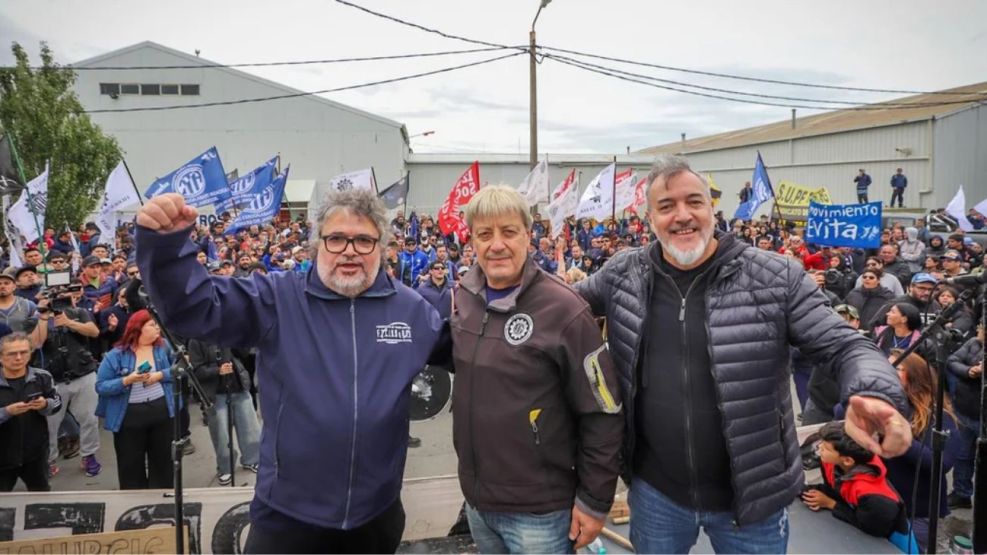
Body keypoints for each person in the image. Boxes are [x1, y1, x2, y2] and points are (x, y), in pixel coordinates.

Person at [568, 154, 910, 554]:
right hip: (656, 494)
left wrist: (873, 392)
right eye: (666, 206)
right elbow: (557, 308)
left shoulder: (775, 277)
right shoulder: (622, 274)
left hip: (751, 499)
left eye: (694, 201)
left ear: (712, 209)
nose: (682, 215)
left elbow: (845, 344)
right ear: (650, 218)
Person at [135, 189, 445, 554]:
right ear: (317, 244)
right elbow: (193, 307)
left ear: (382, 247)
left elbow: (471, 348)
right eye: (336, 238)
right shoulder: (277, 298)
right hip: (288, 516)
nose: (349, 250)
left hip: (376, 515)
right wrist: (166, 246)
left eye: (363, 240)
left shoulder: (411, 310)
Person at [453, 185, 623, 553]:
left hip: (540, 514)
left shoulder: (565, 309)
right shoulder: (465, 296)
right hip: (479, 505)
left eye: (508, 232)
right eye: (485, 234)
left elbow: (603, 412)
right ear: (472, 241)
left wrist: (594, 502)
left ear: (528, 235)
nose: (497, 244)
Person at [802, 421, 915, 552]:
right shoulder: (832, 462)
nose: (819, 448)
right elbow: (835, 491)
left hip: (891, 538)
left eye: (826, 448)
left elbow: (870, 527)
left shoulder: (875, 496)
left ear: (847, 460)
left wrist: (830, 504)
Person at [95, 310, 175, 489]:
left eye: (158, 324)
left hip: (161, 412)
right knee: (130, 465)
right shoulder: (116, 355)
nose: (158, 328)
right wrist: (126, 380)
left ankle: (162, 498)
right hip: (129, 416)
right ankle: (135, 500)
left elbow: (181, 368)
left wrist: (160, 375)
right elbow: (101, 386)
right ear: (138, 328)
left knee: (164, 462)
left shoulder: (164, 347)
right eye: (152, 325)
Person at [37, 284, 102, 478]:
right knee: (49, 424)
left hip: (83, 373)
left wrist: (68, 322)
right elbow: (35, 343)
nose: (60, 300)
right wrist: (43, 315)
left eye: (64, 295)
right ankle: (49, 460)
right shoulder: (38, 317)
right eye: (55, 296)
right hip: (53, 379)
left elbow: (94, 331)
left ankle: (89, 455)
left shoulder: (79, 312)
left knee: (89, 419)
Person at [189, 338, 261, 485]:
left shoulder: (228, 334)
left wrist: (236, 337)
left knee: (250, 427)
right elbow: (196, 370)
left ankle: (252, 459)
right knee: (221, 434)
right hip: (215, 393)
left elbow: (245, 353)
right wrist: (217, 370)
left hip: (238, 386)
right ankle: (225, 467)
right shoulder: (196, 340)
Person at [0, 332, 61, 491]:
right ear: (1, 357)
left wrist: (45, 404)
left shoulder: (42, 377)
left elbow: (57, 402)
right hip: (2, 456)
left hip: (35, 454)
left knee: (41, 495)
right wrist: (6, 412)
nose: (19, 358)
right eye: (12, 353)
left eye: (24, 352)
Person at [945, 324, 983, 510]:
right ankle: (961, 493)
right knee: (963, 454)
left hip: (982, 414)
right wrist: (969, 371)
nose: (978, 331)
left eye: (982, 328)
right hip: (966, 408)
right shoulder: (974, 343)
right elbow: (952, 361)